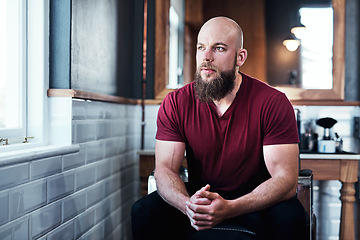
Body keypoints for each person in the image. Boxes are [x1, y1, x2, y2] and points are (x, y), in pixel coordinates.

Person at [131, 16, 308, 240]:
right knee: (143, 211)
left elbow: (286, 180)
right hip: (200, 197)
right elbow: (165, 169)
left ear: (240, 57)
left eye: (219, 48)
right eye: (201, 47)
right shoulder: (176, 102)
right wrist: (188, 205)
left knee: (291, 218)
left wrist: (232, 207)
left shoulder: (273, 102)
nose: (206, 56)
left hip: (256, 202)